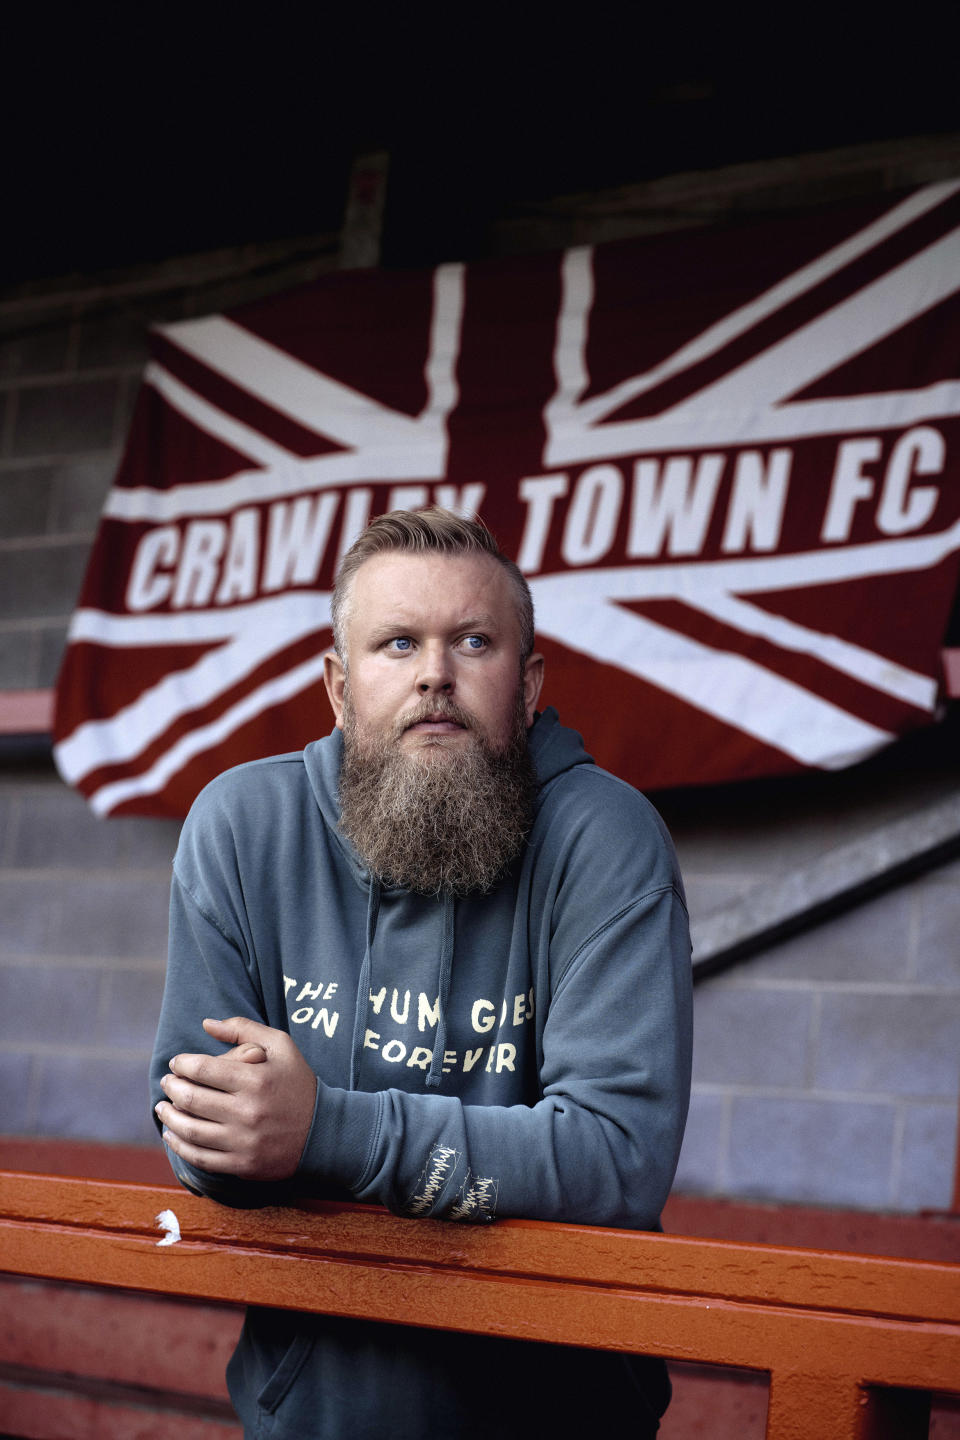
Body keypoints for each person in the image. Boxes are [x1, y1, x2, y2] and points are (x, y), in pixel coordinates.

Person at [150, 507, 693, 1439]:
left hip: (561, 1419)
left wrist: (325, 1132)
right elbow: (201, 1131)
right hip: (318, 1418)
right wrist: (244, 1141)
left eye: (472, 642)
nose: (434, 674)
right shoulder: (244, 829)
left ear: (526, 688)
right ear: (337, 685)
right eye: (397, 642)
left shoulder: (607, 838)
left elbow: (618, 1158)